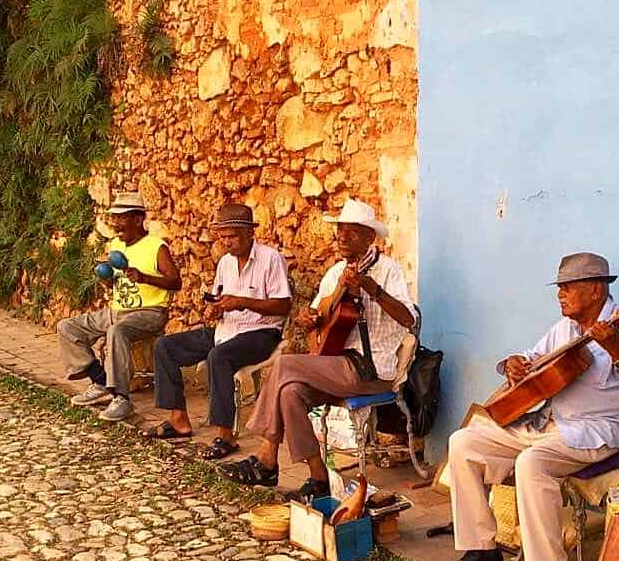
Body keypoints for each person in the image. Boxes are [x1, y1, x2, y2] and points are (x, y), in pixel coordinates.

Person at [436, 253, 619, 561]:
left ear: (596, 289)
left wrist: (616, 352)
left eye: (568, 287)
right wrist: (512, 364)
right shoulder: (565, 327)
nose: (561, 295)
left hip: (599, 432)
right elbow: (529, 359)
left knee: (532, 464)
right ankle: (481, 552)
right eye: (560, 288)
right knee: (465, 442)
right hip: (551, 426)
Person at [222, 198, 416, 494]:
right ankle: (319, 478)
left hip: (371, 369)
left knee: (285, 364)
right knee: (290, 392)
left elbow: (408, 319)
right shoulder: (337, 271)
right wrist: (308, 317)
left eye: (351, 233)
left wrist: (370, 288)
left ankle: (267, 458)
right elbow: (314, 316)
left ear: (369, 237)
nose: (342, 238)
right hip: (335, 364)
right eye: (339, 232)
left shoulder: (388, 270)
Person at [140, 204, 291, 458]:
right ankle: (178, 419)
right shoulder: (225, 263)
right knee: (165, 346)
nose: (227, 242)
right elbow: (220, 300)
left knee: (219, 356)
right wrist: (215, 310)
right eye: (223, 237)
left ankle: (226, 436)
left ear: (249, 234)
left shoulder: (270, 258)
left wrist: (242, 301)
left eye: (232, 236)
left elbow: (282, 305)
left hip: (261, 332)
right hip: (226, 329)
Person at [57, 191, 181, 421]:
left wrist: (145, 278)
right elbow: (117, 279)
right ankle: (101, 382)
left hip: (149, 312)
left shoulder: (156, 247)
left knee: (117, 331)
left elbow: (175, 282)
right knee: (67, 326)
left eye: (121, 218)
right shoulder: (116, 245)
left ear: (137, 219)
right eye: (114, 218)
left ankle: (121, 398)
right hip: (116, 310)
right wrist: (108, 280)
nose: (115, 223)